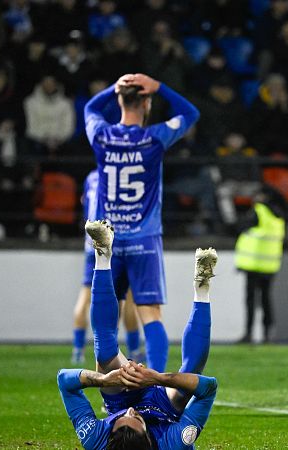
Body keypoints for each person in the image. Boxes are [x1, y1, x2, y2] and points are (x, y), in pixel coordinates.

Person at [57, 220, 218, 450]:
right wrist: (159, 378)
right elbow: (209, 388)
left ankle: (102, 253)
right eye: (137, 419)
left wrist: (103, 380)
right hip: (165, 410)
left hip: (120, 398)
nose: (133, 412)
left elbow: (64, 381)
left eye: (119, 422)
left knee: (104, 354)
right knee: (191, 373)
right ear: (149, 440)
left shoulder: (95, 439)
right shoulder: (172, 443)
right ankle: (202, 289)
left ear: (109, 436)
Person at [83, 73, 199, 372]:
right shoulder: (154, 138)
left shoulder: (102, 136)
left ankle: (110, 395)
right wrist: (159, 86)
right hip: (144, 241)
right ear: (147, 102)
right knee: (150, 314)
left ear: (120, 100)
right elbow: (191, 113)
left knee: (107, 321)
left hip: (108, 243)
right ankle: (156, 386)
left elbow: (90, 110)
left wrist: (113, 86)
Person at [72, 170, 144, 365]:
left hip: (91, 242)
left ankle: (78, 350)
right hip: (115, 242)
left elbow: (85, 205)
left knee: (86, 296)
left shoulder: (90, 177)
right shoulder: (118, 174)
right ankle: (132, 349)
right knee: (126, 299)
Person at [235, 186, 286, 344]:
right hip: (270, 264)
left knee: (251, 300)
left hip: (254, 263)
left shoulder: (259, 211)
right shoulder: (278, 216)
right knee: (266, 299)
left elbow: (239, 227)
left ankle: (248, 333)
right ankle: (267, 334)